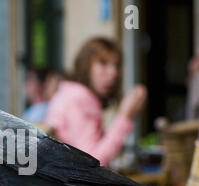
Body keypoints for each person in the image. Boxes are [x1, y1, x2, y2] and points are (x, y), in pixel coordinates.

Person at [44, 37, 147, 167]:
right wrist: (125, 116)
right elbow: (92, 162)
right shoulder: (79, 98)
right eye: (103, 63)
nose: (113, 73)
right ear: (86, 66)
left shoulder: (69, 93)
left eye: (116, 66)